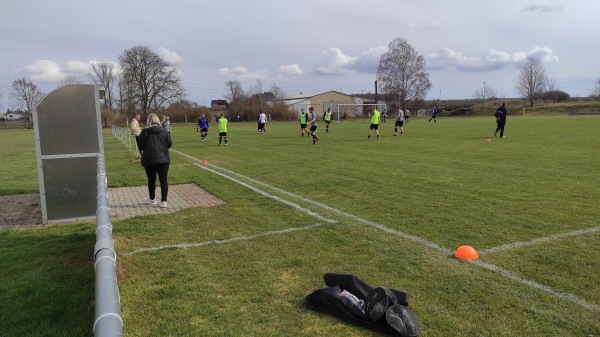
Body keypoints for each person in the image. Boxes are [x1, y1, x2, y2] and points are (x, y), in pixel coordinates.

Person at [136, 113, 172, 208]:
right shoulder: (164, 131)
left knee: (151, 180)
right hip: (163, 159)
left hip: (149, 159)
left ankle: (152, 199)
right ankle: (164, 201)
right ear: (158, 120)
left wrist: (144, 150)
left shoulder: (145, 132)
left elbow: (140, 145)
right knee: (163, 180)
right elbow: (169, 144)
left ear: (149, 121)